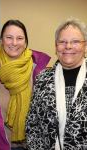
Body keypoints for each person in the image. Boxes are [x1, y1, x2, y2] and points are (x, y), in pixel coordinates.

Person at [0, 19, 50, 150]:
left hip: (33, 145)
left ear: (25, 42)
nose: (14, 43)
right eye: (9, 37)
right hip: (1, 145)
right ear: (1, 40)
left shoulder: (39, 70)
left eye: (19, 38)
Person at [26, 18, 87, 150]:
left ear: (85, 46)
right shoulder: (43, 79)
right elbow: (32, 124)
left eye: (75, 41)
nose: (68, 46)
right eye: (62, 42)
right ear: (56, 46)